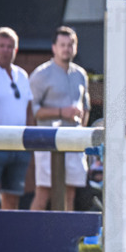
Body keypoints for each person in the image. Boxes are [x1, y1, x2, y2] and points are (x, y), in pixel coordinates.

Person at [29, 26, 91, 211]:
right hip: (48, 142)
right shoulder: (41, 74)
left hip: (74, 143)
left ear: (76, 47)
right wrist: (61, 112)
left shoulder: (81, 74)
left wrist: (81, 137)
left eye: (70, 44)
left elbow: (85, 107)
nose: (66, 48)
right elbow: (34, 112)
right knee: (43, 194)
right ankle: (30, 238)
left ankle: (65, 239)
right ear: (54, 47)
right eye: (62, 44)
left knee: (70, 194)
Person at [0, 27, 34, 209]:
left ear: (16, 49)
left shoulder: (22, 75)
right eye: (2, 46)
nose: (6, 50)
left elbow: (29, 111)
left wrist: (30, 142)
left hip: (19, 146)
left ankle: (7, 237)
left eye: (10, 46)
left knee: (12, 198)